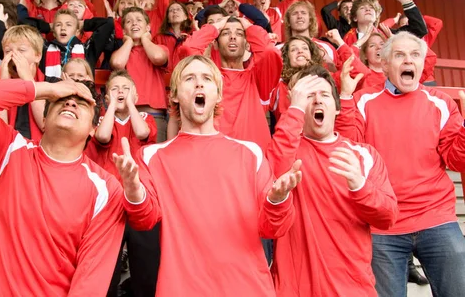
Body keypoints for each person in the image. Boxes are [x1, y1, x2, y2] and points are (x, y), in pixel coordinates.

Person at [114, 55, 301, 296]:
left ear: (218, 94)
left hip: (248, 288)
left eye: (206, 78)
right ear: (174, 95)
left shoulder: (251, 153)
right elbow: (144, 220)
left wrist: (277, 199)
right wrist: (133, 190)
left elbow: (272, 229)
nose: (199, 84)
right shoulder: (151, 156)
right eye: (189, 78)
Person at [0, 73, 125, 295]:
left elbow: (90, 282)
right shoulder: (7, 152)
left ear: (93, 129)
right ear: (43, 120)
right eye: (61, 99)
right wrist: (45, 89)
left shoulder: (107, 190)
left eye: (82, 102)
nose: (70, 102)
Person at [336, 31, 465, 297]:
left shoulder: (441, 102)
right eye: (399, 55)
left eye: (415, 55)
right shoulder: (363, 101)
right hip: (383, 224)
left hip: (436, 217)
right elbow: (350, 152)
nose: (409, 60)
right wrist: (346, 99)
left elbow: (455, 159)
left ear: (421, 64)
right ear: (384, 65)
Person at [267, 65, 398, 296]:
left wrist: (360, 185)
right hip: (295, 288)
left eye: (325, 95)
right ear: (298, 106)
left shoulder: (363, 155)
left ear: (337, 109)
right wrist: (293, 111)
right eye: (309, 96)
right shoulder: (287, 148)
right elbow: (273, 173)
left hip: (352, 287)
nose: (318, 101)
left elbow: (387, 217)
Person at [85, 70, 158, 297]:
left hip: (138, 196)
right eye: (115, 89)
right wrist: (112, 109)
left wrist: (131, 106)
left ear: (135, 96)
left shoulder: (145, 117)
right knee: (108, 266)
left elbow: (142, 132)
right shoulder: (102, 119)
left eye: (126, 89)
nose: (120, 92)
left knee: (145, 263)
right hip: (111, 199)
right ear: (106, 97)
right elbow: (104, 137)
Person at [175, 16, 281, 150]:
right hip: (215, 157)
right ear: (215, 44)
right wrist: (215, 27)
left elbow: (270, 52)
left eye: (239, 33)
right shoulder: (207, 78)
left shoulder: (258, 78)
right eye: (225, 33)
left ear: (247, 44)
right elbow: (188, 49)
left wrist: (249, 27)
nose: (232, 37)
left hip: (252, 162)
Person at [110, 7, 169, 142]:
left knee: (153, 158)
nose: (134, 23)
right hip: (125, 115)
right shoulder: (122, 52)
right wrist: (129, 41)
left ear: (148, 27)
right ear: (124, 31)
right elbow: (118, 63)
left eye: (139, 20)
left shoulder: (159, 48)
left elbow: (158, 57)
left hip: (154, 115)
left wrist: (145, 38)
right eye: (129, 22)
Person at [0, 25, 46, 141]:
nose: (14, 55)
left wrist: (28, 79)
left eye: (21, 50)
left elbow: (46, 125)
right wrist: (2, 85)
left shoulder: (52, 83)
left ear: (37, 56)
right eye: (8, 51)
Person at [40, 8, 115, 78]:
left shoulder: (87, 49)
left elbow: (108, 23)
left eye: (68, 25)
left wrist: (83, 24)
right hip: (52, 91)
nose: (63, 28)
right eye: (58, 25)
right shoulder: (44, 48)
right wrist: (48, 26)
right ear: (53, 32)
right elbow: (28, 24)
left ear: (77, 32)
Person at [228, 0, 300, 41]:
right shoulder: (246, 11)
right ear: (254, 0)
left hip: (275, 48)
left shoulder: (278, 11)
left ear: (270, 0)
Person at [153, 1, 196, 73]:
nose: (175, 11)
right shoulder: (158, 38)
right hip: (164, 78)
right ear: (168, 19)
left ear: (185, 16)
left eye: (178, 9)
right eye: (171, 10)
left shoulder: (192, 35)